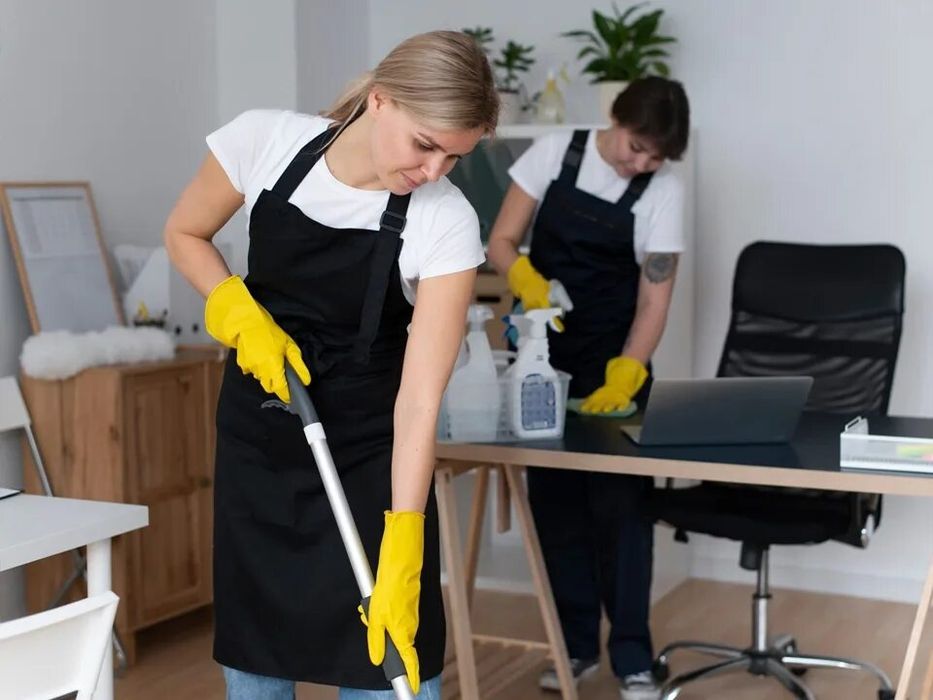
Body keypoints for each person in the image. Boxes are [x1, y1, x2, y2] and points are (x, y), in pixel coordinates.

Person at [164, 31, 498, 700]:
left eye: (454, 157)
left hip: (372, 457)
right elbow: (185, 232)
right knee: (256, 663)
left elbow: (419, 402)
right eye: (425, 145)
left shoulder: (445, 221)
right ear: (380, 100)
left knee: (393, 668)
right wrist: (235, 307)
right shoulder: (264, 141)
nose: (435, 171)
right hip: (261, 445)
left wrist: (405, 539)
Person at [487, 77, 690, 700]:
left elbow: (655, 299)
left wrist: (628, 370)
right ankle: (573, 648)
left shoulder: (663, 190)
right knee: (556, 510)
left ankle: (632, 657)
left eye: (656, 156)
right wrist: (525, 278)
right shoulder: (555, 152)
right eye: (637, 147)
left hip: (616, 359)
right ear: (616, 120)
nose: (642, 163)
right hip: (543, 358)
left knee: (624, 512)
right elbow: (501, 241)